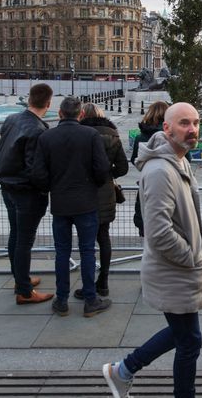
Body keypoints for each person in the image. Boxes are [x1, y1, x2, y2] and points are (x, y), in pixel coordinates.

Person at [103, 102, 202, 398]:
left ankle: (122, 370)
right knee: (190, 341)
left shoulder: (178, 160)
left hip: (178, 271)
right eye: (184, 123)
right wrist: (191, 258)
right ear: (167, 128)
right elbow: (159, 231)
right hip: (174, 271)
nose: (192, 130)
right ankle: (124, 371)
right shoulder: (161, 170)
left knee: (185, 337)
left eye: (196, 123)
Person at [31, 97, 112, 318]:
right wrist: (91, 185)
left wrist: (53, 187)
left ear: (60, 114)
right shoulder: (91, 135)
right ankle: (90, 299)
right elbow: (102, 168)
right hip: (86, 202)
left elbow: (38, 173)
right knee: (87, 251)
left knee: (62, 252)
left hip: (60, 203)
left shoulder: (47, 137)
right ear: (80, 115)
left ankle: (62, 300)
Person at [0, 83, 54, 305]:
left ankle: (21, 278)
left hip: (8, 187)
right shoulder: (38, 130)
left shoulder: (12, 119)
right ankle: (24, 291)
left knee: (16, 235)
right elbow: (34, 168)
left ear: (29, 99)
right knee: (24, 241)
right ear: (48, 104)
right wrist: (45, 187)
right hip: (26, 192)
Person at [72, 102, 129, 300]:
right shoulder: (112, 134)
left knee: (86, 241)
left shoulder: (79, 134)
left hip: (83, 192)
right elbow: (122, 168)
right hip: (105, 192)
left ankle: (88, 286)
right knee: (103, 237)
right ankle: (103, 282)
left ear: (82, 115)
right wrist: (106, 174)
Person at [130, 100, 169, 237]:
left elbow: (135, 160)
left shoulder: (141, 137)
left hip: (147, 186)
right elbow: (187, 159)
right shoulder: (173, 137)